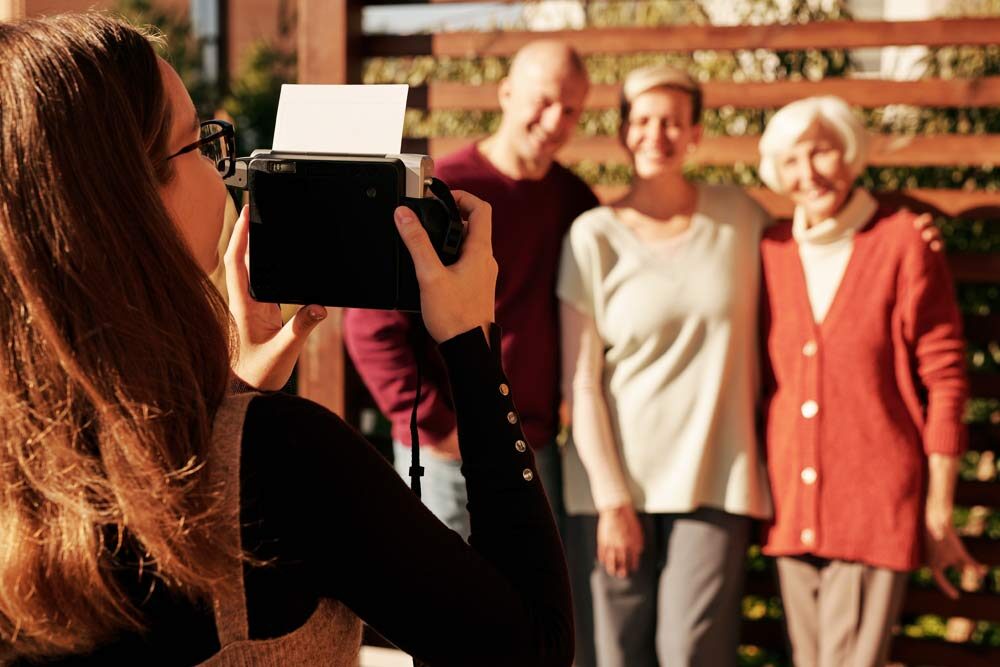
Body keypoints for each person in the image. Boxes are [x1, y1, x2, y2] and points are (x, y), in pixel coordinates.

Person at [0, 13, 573, 666]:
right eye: (198, 145)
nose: (224, 174)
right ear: (127, 201)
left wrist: (230, 399)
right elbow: (535, 645)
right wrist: (471, 346)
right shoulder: (283, 461)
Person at [757, 95, 985, 667]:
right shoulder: (771, 250)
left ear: (852, 155)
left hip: (875, 505)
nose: (808, 173)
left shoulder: (904, 241)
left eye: (822, 152)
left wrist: (938, 508)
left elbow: (946, 376)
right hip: (789, 509)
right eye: (791, 160)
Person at [557, 65, 773, 667]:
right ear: (624, 131)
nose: (659, 134)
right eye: (644, 120)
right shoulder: (591, 236)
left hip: (716, 476)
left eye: (674, 122)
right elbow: (582, 382)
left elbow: (820, 244)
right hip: (609, 488)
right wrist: (611, 501)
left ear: (696, 133)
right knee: (614, 655)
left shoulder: (740, 220)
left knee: (691, 653)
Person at [344, 40, 596, 539]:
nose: (554, 122)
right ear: (505, 93)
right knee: (441, 608)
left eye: (570, 110)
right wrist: (439, 428)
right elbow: (371, 325)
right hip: (447, 453)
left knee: (529, 610)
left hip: (534, 448)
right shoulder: (444, 189)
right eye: (543, 101)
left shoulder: (574, 200)